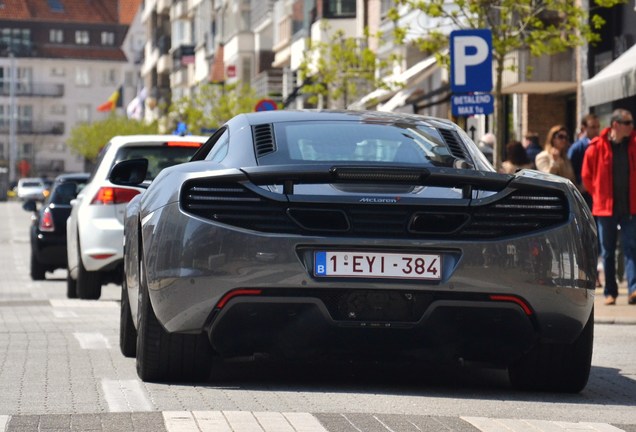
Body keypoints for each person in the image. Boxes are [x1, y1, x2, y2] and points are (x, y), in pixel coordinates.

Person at [582, 108, 636, 306]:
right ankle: (610, 292)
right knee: (608, 251)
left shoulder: (634, 145)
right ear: (616, 125)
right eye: (628, 123)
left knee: (632, 248)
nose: (631, 126)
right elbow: (587, 176)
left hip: (631, 207)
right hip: (606, 209)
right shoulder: (596, 147)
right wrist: (598, 195)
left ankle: (633, 289)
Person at [568, 114, 600, 208]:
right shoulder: (577, 148)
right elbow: (570, 170)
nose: (596, 130)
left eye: (598, 127)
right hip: (583, 192)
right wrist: (579, 185)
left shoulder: (602, 145)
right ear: (584, 128)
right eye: (593, 127)